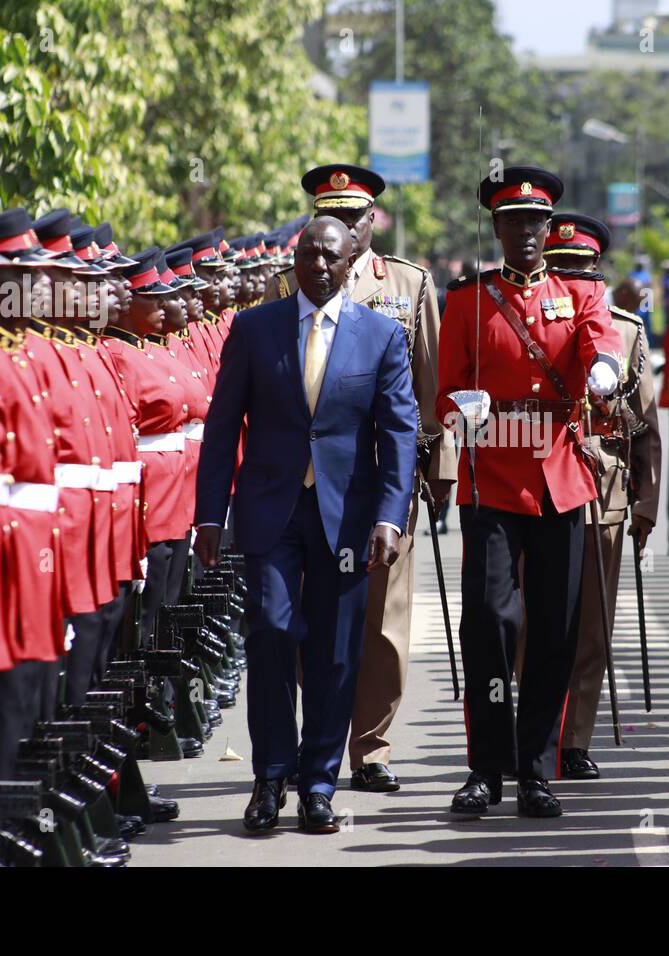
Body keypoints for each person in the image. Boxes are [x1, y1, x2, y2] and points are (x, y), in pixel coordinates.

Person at [193, 217, 417, 834]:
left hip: (347, 519)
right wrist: (209, 514)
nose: (319, 265)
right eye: (309, 254)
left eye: (331, 257)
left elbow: (399, 433)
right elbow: (222, 427)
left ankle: (319, 782)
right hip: (271, 511)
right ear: (295, 261)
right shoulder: (254, 328)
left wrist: (390, 516)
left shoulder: (381, 335)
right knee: (270, 632)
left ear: (350, 264)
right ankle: (270, 776)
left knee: (335, 654)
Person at [436, 166, 624, 818]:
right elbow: (444, 395)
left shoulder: (581, 292)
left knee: (555, 629)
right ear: (496, 228)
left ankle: (537, 769)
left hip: (558, 478)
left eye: (534, 222)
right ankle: (486, 767)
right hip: (491, 476)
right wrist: (465, 406)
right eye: (512, 222)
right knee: (490, 621)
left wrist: (604, 371)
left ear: (548, 228)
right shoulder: (468, 300)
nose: (524, 232)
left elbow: (601, 344)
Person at [266, 163, 456, 794]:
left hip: (384, 482)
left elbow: (431, 392)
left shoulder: (409, 284)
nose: (344, 228)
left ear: (372, 219)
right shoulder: (285, 283)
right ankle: (313, 741)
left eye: (353, 217)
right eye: (332, 217)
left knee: (381, 622)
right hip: (310, 483)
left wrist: (438, 471)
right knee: (307, 621)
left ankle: (370, 746)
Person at [542, 212, 662, 780]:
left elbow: (646, 429)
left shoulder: (626, 331)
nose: (569, 278)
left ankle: (574, 739)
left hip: (602, 493)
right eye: (559, 267)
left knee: (591, 626)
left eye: (579, 268)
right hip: (539, 489)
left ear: (598, 271)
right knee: (534, 623)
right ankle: (538, 731)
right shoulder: (530, 324)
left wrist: (646, 504)